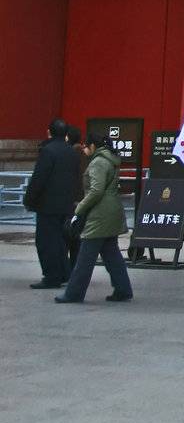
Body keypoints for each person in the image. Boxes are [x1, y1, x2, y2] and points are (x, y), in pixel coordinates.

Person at [54, 129, 133, 304]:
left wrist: (79, 208)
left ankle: (73, 293)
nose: (83, 149)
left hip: (100, 214)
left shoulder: (98, 162)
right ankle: (123, 289)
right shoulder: (110, 159)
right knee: (112, 254)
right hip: (111, 211)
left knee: (85, 257)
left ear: (92, 145)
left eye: (85, 145)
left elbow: (96, 191)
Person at [23, 117, 79, 289]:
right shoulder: (71, 152)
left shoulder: (48, 151)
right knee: (62, 242)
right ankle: (64, 273)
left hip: (48, 205)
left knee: (47, 242)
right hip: (67, 204)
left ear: (49, 132)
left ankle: (51, 276)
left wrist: (29, 199)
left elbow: (39, 179)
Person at [64, 124, 86, 271]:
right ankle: (75, 268)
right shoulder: (84, 154)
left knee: (69, 236)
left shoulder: (71, 154)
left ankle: (69, 270)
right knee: (76, 237)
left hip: (73, 200)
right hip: (82, 199)